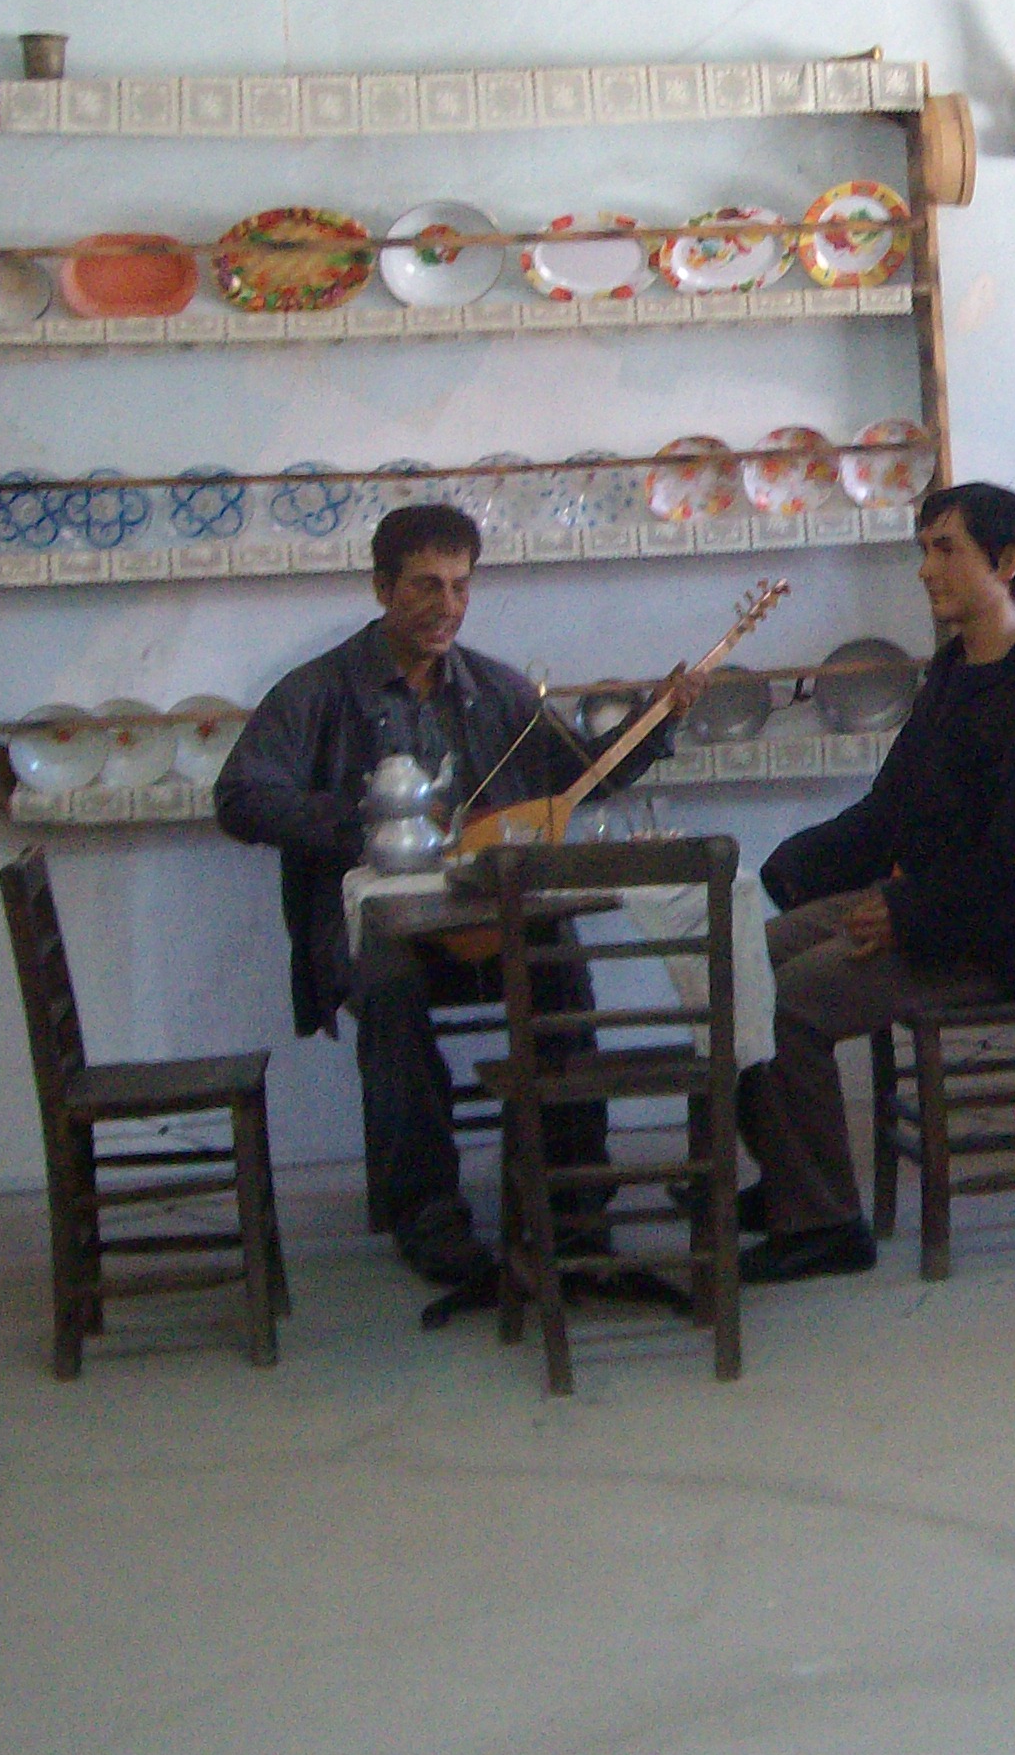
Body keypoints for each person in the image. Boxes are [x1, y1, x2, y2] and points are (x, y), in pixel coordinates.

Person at [213, 499, 674, 1286]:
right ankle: (428, 1218)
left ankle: (572, 1208)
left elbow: (576, 781)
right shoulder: (319, 691)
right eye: (426, 585)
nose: (447, 606)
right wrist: (363, 820)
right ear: (381, 588)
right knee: (392, 993)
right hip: (377, 934)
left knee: (559, 968)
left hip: (484, 927)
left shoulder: (495, 688)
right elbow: (239, 798)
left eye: (461, 586)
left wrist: (651, 726)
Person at [732, 481, 1015, 1284]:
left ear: (1005, 563)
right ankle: (792, 1183)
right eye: (924, 549)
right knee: (738, 963)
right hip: (930, 910)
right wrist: (782, 870)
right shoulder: (954, 676)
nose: (925, 568)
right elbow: (889, 811)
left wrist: (904, 913)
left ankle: (827, 1226)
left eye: (946, 549)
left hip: (997, 942)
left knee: (787, 1002)